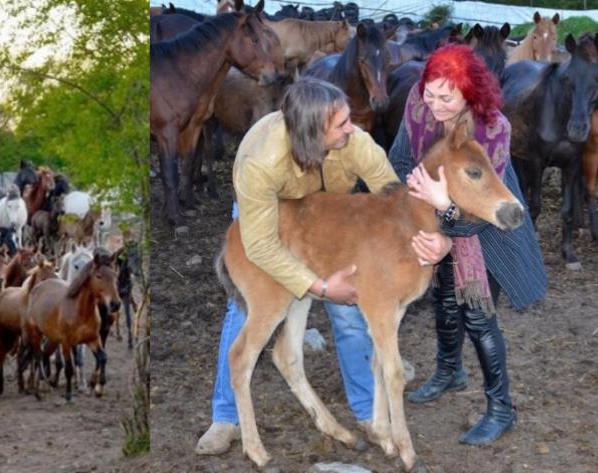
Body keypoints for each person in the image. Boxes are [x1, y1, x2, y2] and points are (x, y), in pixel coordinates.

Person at [195, 77, 453, 455]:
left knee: (351, 310)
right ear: (314, 133)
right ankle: (225, 416)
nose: (354, 128)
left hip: (327, 210)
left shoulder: (357, 144)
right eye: (342, 124)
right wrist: (320, 287)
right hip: (265, 214)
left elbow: (395, 206)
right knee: (250, 310)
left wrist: (430, 240)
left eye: (349, 119)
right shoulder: (260, 164)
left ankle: (368, 412)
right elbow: (262, 245)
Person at [388, 44, 547, 445]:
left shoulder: (492, 129)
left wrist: (445, 221)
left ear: (468, 95)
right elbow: (403, 159)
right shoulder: (419, 103)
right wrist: (424, 214)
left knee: (478, 313)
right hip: (429, 211)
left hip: (488, 220)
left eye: (447, 97)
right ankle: (448, 370)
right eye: (431, 93)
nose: (435, 104)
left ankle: (501, 408)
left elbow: (479, 208)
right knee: (442, 296)